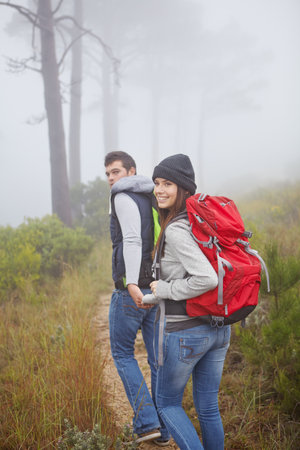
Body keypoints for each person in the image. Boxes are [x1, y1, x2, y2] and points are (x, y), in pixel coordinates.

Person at [143, 153, 231, 450]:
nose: (159, 189)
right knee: (207, 406)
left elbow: (207, 279)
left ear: (183, 188)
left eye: (167, 183)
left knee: (167, 404)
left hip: (186, 332)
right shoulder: (199, 223)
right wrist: (154, 294)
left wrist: (165, 291)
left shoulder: (178, 229)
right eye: (156, 183)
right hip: (218, 329)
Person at [104, 151, 170, 445]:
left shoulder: (122, 196)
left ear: (131, 171)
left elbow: (131, 239)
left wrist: (131, 283)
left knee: (122, 353)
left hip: (132, 291)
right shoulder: (153, 197)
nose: (111, 179)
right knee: (157, 361)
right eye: (107, 174)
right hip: (156, 288)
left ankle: (146, 423)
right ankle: (164, 429)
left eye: (116, 172)